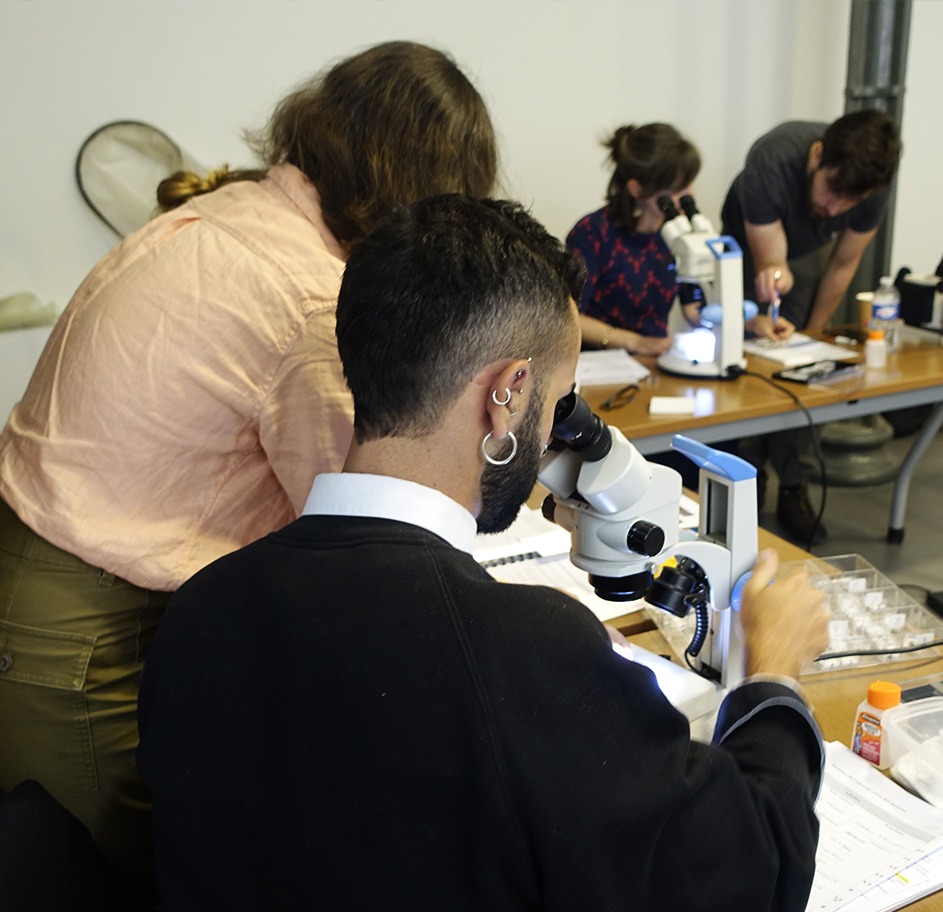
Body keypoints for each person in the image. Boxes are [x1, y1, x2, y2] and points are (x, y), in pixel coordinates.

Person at [137, 194, 832, 910]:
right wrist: (772, 677)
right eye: (558, 403)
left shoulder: (198, 611)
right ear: (508, 393)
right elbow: (754, 874)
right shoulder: (520, 652)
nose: (550, 440)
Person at [0, 40, 496, 902]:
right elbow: (362, 519)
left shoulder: (237, 212)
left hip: (74, 575)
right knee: (100, 873)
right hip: (76, 619)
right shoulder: (307, 295)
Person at [720, 111, 902, 542]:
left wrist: (813, 336)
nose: (835, 209)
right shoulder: (772, 160)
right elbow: (773, 264)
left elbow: (843, 263)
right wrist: (773, 279)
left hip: (807, 252)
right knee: (746, 362)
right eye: (833, 190)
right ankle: (747, 483)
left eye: (849, 202)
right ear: (818, 156)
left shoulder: (871, 187)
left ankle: (794, 484)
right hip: (747, 247)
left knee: (802, 370)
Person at [566, 122, 699, 356]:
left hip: (656, 360)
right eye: (675, 190)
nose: (686, 197)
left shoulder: (680, 233)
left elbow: (694, 310)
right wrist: (635, 342)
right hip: (601, 364)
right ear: (637, 190)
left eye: (688, 185)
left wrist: (747, 321)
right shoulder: (593, 233)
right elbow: (568, 315)